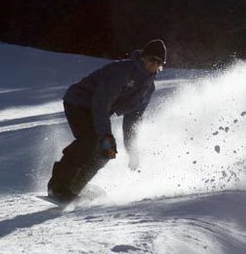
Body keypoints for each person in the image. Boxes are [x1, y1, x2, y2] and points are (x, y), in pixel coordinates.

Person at [47, 39, 166, 201]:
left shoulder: (147, 89)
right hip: (79, 103)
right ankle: (58, 186)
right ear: (143, 58)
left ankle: (75, 186)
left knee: (107, 151)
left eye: (159, 63)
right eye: (152, 59)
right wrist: (105, 134)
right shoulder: (123, 71)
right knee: (92, 140)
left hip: (99, 112)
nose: (154, 65)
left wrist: (132, 150)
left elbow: (133, 120)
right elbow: (101, 102)